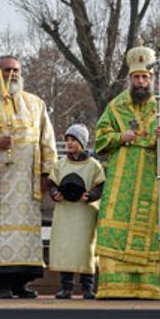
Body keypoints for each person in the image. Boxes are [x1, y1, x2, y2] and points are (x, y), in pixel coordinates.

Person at [0, 55, 57, 299]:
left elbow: (48, 141)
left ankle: (20, 283)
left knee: (26, 234)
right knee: (1, 234)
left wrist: (48, 173)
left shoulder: (36, 104)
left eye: (16, 70)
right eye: (6, 70)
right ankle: (1, 284)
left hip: (28, 183)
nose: (12, 74)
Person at [93, 46, 160, 299]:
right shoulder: (116, 106)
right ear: (129, 79)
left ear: (153, 79)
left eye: (145, 77)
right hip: (124, 179)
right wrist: (120, 136)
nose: (141, 82)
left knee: (155, 231)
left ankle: (154, 287)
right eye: (136, 77)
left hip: (155, 178)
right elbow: (100, 139)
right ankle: (116, 286)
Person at [46, 124, 104, 299]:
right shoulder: (60, 164)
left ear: (82, 142)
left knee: (86, 249)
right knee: (65, 248)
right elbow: (52, 184)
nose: (70, 143)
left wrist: (91, 195)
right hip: (65, 212)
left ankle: (88, 288)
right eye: (68, 140)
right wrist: (55, 194)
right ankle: (67, 287)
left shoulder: (94, 165)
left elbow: (100, 186)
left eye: (73, 140)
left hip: (84, 213)